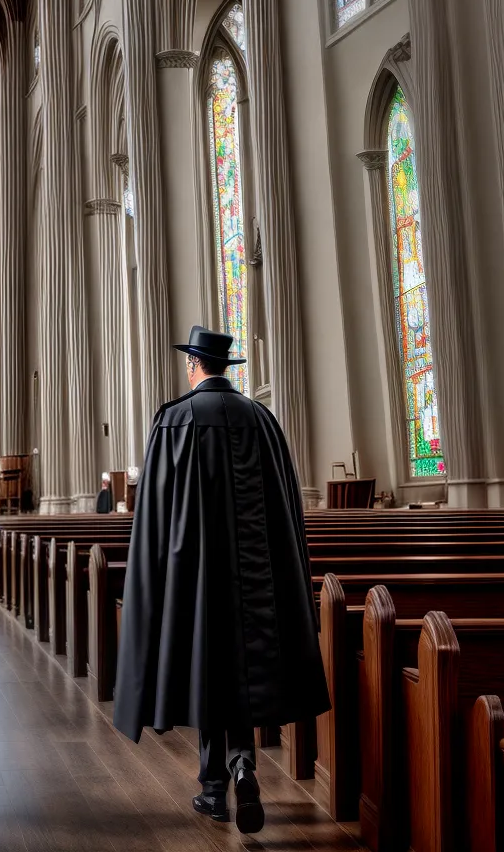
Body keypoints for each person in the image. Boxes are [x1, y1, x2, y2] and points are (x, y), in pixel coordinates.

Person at [112, 327, 330, 835]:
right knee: (242, 665)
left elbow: (155, 515)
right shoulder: (262, 419)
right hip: (256, 577)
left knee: (209, 668)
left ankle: (213, 788)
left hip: (194, 579)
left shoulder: (174, 420)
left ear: (194, 365)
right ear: (224, 367)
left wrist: (154, 578)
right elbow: (286, 508)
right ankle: (242, 766)